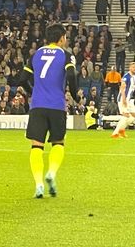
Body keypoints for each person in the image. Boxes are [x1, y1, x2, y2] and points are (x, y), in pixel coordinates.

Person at [21, 23, 77, 199]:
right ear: (61, 38)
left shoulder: (36, 54)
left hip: (37, 105)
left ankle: (38, 184)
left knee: (36, 145)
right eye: (65, 37)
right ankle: (51, 173)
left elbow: (22, 79)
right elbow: (71, 75)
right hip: (56, 105)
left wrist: (33, 92)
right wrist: (75, 95)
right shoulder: (66, 55)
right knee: (58, 143)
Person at [111, 62, 135, 139]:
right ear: (129, 68)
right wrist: (123, 99)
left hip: (129, 99)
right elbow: (122, 88)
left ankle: (122, 129)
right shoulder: (126, 76)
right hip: (123, 99)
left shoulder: (134, 76)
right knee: (126, 115)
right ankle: (115, 133)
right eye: (133, 67)